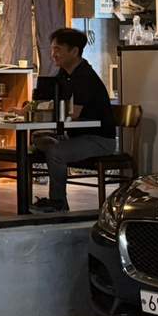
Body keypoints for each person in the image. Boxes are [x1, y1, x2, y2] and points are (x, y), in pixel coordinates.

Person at [30, 28, 116, 213]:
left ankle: (58, 202)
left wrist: (45, 111)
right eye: (52, 49)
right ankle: (39, 201)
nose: (53, 54)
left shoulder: (85, 76)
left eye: (58, 49)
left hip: (99, 139)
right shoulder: (64, 74)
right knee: (37, 140)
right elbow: (50, 101)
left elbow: (73, 113)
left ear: (74, 51)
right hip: (77, 136)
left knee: (55, 152)